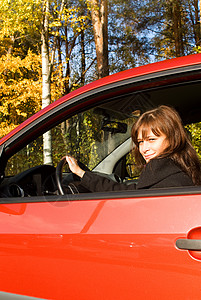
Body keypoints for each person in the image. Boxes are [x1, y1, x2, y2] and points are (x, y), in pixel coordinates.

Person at [66, 105, 201, 192]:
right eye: (140, 142)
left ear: (173, 138)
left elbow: (128, 195)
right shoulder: (181, 169)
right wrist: (82, 174)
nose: (144, 149)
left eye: (151, 140)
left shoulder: (171, 182)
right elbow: (129, 191)